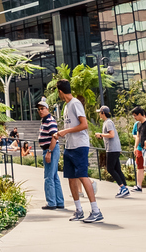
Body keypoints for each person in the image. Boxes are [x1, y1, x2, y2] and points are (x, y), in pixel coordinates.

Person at [56, 80, 103, 222]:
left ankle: (96, 210)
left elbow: (84, 125)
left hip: (80, 146)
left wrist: (65, 131)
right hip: (70, 146)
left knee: (82, 176)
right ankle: (79, 210)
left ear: (60, 92)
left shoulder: (75, 103)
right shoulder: (66, 106)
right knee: (71, 177)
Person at [36, 98, 64, 210]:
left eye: (42, 108)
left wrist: (49, 152)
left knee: (48, 177)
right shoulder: (44, 121)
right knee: (54, 176)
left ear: (47, 109)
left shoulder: (50, 121)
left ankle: (51, 202)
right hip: (50, 149)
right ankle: (59, 201)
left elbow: (54, 136)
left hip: (50, 149)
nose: (40, 111)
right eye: (39, 109)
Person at [99, 105, 131, 198]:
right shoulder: (108, 122)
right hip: (115, 148)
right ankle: (124, 188)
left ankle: (123, 188)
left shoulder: (108, 122)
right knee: (117, 169)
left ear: (103, 113)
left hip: (112, 149)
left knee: (110, 168)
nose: (99, 115)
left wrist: (101, 135)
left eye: (100, 113)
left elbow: (111, 135)